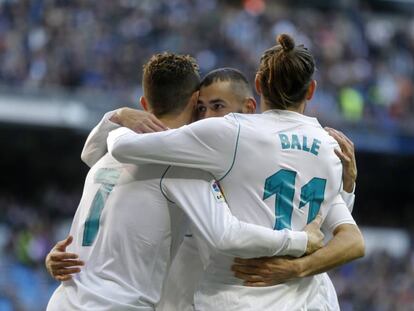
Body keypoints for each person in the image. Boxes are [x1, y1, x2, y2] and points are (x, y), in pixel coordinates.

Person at [46, 67, 358, 310]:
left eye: (217, 107)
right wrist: (74, 254)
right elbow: (102, 171)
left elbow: (341, 239)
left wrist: (346, 190)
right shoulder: (181, 163)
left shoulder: (260, 166)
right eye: (201, 109)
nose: (207, 117)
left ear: (248, 110)